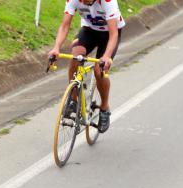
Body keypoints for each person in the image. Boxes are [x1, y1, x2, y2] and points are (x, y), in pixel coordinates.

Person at [48, 0, 126, 133]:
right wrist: (56, 48)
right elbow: (65, 25)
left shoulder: (108, 1)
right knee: (75, 56)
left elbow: (114, 34)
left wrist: (106, 57)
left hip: (109, 35)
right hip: (89, 31)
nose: (83, 1)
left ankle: (104, 108)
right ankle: (73, 100)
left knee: (99, 70)